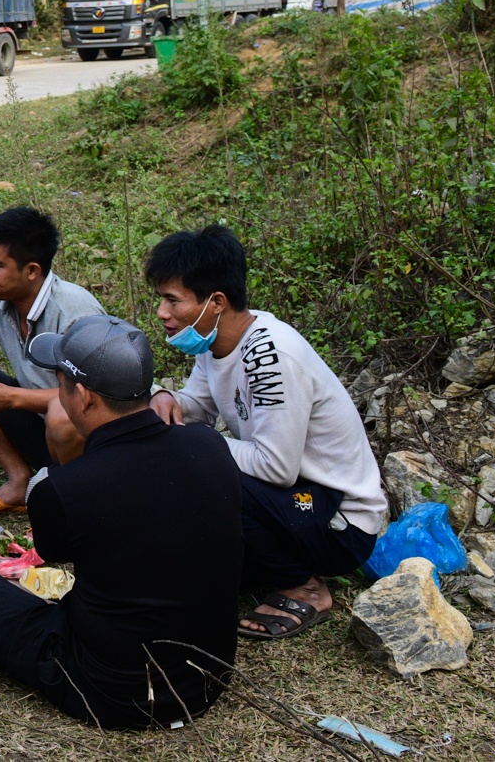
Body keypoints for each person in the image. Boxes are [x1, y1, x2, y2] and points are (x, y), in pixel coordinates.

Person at [0, 315, 241, 730]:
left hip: (112, 691)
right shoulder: (210, 444)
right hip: (206, 677)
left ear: (83, 396)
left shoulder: (62, 488)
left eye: (58, 384)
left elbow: (56, 554)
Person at [146, 225, 387, 640]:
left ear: (216, 302)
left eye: (173, 300)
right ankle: (254, 562)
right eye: (161, 299)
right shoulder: (216, 343)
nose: (162, 313)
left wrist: (199, 442)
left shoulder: (271, 357)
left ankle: (306, 588)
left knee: (202, 464)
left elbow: (275, 467)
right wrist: (168, 398)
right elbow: (197, 404)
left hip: (340, 521)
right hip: (293, 502)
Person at [0, 206, 107, 519]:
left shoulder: (75, 312)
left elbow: (95, 397)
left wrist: (12, 398)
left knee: (63, 414)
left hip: (92, 444)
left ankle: (75, 501)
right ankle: (19, 480)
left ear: (32, 271)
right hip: (41, 426)